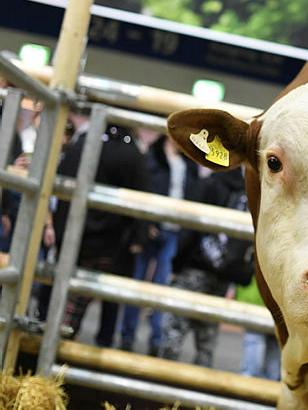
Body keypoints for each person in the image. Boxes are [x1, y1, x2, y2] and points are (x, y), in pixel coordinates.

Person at [55, 108, 150, 347]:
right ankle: (102, 346)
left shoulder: (82, 145)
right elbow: (141, 200)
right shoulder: (132, 154)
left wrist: (57, 230)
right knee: (110, 296)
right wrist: (139, 238)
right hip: (114, 241)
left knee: (67, 295)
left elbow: (62, 186)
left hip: (73, 234)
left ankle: (57, 342)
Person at [161, 166, 254, 367]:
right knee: (207, 339)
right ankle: (199, 388)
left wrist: (177, 265)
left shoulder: (209, 184)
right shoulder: (245, 192)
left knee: (174, 330)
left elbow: (189, 231)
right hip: (223, 274)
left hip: (194, 269)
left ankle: (163, 385)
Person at [119, 134, 199, 357]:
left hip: (174, 231)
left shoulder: (187, 164)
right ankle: (127, 335)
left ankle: (156, 339)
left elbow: (190, 196)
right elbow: (145, 191)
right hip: (152, 230)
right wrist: (147, 224)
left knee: (162, 288)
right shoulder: (152, 159)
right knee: (138, 285)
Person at [235, 275, 281, 381]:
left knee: (256, 340)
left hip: (257, 297)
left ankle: (248, 383)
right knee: (274, 343)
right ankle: (265, 386)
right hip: (272, 298)